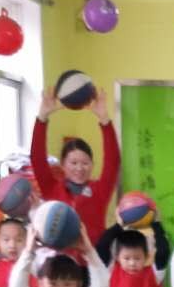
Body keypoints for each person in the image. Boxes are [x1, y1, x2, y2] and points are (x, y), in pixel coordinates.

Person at [30, 85, 120, 236]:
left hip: (93, 256)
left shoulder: (100, 190)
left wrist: (104, 119)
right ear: (63, 165)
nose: (80, 168)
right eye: (73, 163)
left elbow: (113, 160)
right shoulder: (51, 188)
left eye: (85, 163)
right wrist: (42, 117)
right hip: (60, 258)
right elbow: (36, 158)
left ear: (92, 165)